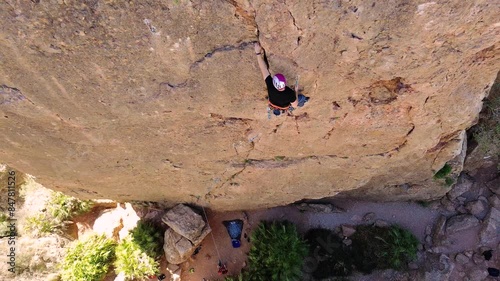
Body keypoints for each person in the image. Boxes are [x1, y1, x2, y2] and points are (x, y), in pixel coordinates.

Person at [254, 42, 308, 116]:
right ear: (285, 82)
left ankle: (277, 110)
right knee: (301, 98)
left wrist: (258, 53)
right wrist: (295, 91)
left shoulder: (270, 86)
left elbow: (263, 68)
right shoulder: (290, 93)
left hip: (274, 102)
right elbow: (295, 105)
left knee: (279, 103)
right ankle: (303, 101)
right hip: (283, 104)